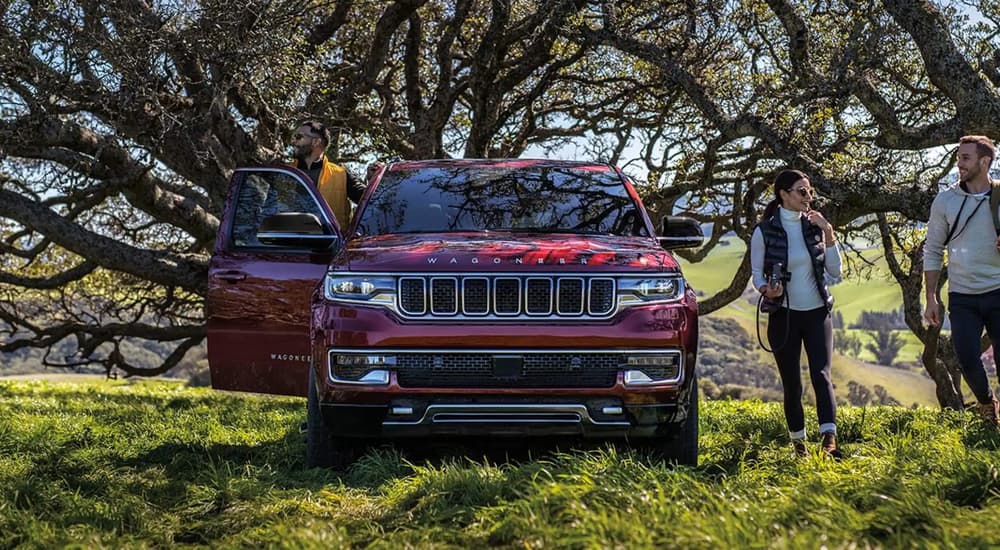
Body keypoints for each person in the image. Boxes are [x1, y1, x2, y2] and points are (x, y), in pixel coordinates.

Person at [751, 169, 843, 457]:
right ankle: (799, 444)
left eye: (810, 191)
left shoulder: (815, 226)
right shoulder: (764, 230)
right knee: (792, 382)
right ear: (784, 194)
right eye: (802, 191)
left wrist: (828, 233)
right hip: (784, 315)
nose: (808, 197)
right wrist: (768, 289)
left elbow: (835, 271)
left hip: (817, 313)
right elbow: (756, 275)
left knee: (821, 375)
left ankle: (829, 439)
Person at [923, 135, 1000, 427]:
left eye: (965, 158)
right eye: (958, 158)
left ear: (985, 161)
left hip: (998, 290)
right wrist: (931, 296)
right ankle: (986, 404)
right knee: (966, 357)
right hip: (963, 296)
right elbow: (932, 249)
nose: (959, 164)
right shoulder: (946, 201)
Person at [291, 120, 367, 229]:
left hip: (331, 244)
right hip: (287, 242)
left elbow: (371, 200)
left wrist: (375, 178)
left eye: (299, 137)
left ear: (316, 142)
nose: (294, 141)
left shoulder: (341, 174)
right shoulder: (284, 172)